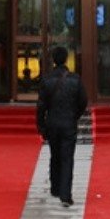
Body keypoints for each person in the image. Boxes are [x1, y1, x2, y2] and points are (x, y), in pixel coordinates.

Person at [36, 46, 88, 208]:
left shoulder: (47, 80)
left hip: (52, 122)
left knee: (55, 155)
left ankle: (55, 187)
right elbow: (83, 101)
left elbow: (41, 106)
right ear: (66, 59)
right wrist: (74, 116)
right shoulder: (75, 79)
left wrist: (41, 126)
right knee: (67, 157)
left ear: (53, 60)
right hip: (68, 123)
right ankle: (66, 194)